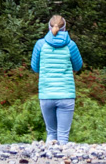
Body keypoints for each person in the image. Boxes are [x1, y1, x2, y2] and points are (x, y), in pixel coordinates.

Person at [30, 13, 83, 145]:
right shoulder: (71, 45)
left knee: (51, 133)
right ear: (65, 28)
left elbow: (35, 68)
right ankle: (62, 163)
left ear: (49, 27)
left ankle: (49, 162)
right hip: (66, 95)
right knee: (63, 136)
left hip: (46, 95)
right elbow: (78, 66)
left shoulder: (40, 44)